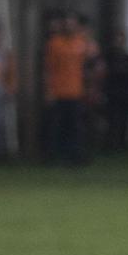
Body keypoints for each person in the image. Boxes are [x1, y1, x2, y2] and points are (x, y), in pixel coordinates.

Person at [43, 12, 94, 163]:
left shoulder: (81, 42)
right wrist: (48, 90)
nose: (69, 27)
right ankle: (53, 156)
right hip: (59, 91)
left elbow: (89, 64)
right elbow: (48, 69)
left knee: (76, 127)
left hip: (76, 92)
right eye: (67, 24)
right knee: (57, 126)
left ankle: (76, 157)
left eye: (72, 24)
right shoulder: (55, 43)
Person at [0, 21, 19, 159]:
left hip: (0, 92)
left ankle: (0, 153)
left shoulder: (5, 54)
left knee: (0, 123)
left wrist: (10, 89)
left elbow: (11, 74)